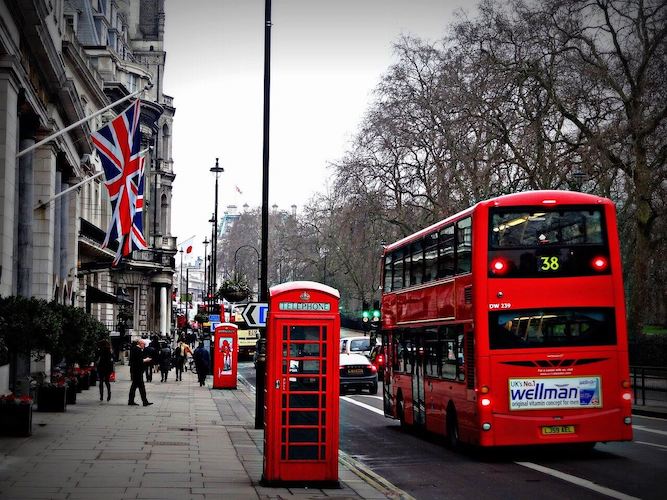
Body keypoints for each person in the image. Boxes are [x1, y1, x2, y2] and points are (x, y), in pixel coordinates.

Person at [128, 339, 153, 406]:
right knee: (140, 386)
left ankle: (133, 401)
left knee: (135, 386)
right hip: (137, 371)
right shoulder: (137, 350)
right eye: (144, 344)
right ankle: (144, 401)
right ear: (140, 343)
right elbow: (139, 361)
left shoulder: (134, 349)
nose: (144, 346)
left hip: (135, 370)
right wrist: (146, 360)